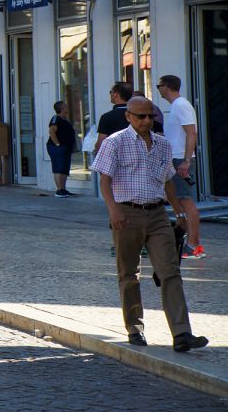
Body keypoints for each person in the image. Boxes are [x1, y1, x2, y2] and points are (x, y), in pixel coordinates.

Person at [91, 96, 208, 353]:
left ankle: (182, 333)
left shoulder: (163, 144)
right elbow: (104, 181)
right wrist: (113, 210)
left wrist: (178, 212)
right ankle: (135, 328)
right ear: (128, 116)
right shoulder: (115, 142)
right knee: (129, 274)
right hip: (126, 213)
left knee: (170, 271)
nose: (146, 121)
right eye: (140, 116)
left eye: (150, 116)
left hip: (157, 215)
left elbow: (167, 181)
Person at [157, 75, 203, 260]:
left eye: (159, 86)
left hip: (180, 160)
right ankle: (193, 242)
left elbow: (192, 133)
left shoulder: (181, 105)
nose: (159, 89)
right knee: (179, 198)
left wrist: (186, 161)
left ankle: (193, 246)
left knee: (185, 200)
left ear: (166, 87)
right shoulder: (176, 106)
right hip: (175, 158)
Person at [47, 101, 77, 197]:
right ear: (61, 109)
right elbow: (52, 131)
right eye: (65, 107)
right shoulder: (56, 118)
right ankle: (59, 190)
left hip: (66, 148)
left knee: (64, 169)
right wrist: (58, 144)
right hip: (57, 148)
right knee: (59, 169)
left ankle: (63, 189)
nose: (67, 108)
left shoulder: (65, 120)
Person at [94, 82, 132, 155]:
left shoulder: (107, 117)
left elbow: (101, 143)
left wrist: (96, 149)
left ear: (116, 94)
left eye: (111, 92)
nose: (110, 94)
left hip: (115, 157)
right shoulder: (139, 115)